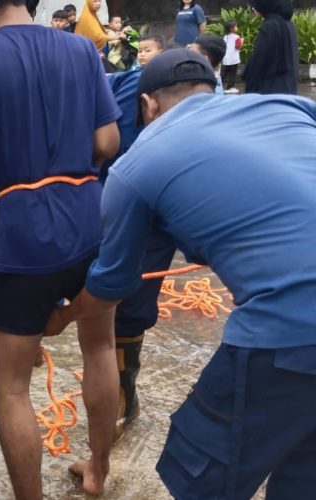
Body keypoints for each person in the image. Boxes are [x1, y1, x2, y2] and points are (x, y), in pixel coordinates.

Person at [46, 48, 316, 499]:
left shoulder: (136, 165)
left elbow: (110, 287)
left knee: (202, 470)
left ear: (147, 104)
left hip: (288, 327)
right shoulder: (283, 105)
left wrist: (62, 317)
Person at [0, 0, 122, 496]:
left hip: (26, 232)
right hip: (90, 218)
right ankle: (98, 471)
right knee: (100, 346)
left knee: (11, 384)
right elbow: (108, 143)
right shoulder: (82, 49)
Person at [101, 35, 170, 441]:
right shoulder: (116, 88)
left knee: (131, 304)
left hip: (156, 212)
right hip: (108, 195)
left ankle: (124, 394)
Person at [243, 0, 298, 95]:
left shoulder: (270, 26)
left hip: (270, 91)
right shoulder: (289, 24)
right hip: (288, 88)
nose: (254, 8)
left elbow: (259, 60)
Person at [221, 20, 241, 94]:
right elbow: (237, 47)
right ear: (231, 29)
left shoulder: (225, 37)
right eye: (236, 26)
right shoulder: (237, 37)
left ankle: (219, 86)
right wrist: (242, 41)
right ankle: (229, 87)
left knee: (223, 74)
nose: (237, 27)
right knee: (232, 74)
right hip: (234, 59)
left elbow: (224, 46)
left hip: (226, 59)